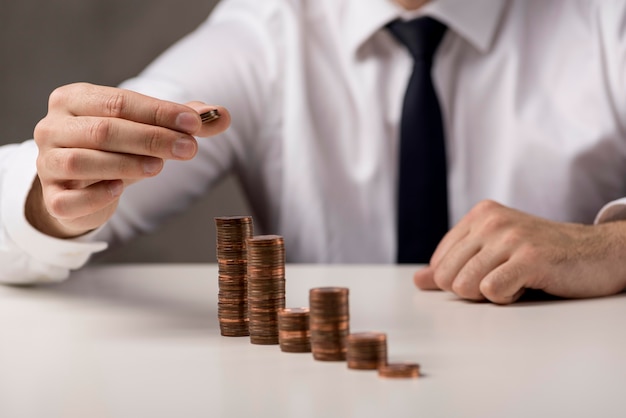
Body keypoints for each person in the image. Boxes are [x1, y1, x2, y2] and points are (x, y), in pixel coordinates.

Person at [1, 0, 625, 304]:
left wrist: (610, 247)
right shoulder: (269, 31)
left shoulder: (604, 19)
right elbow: (27, 205)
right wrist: (51, 195)